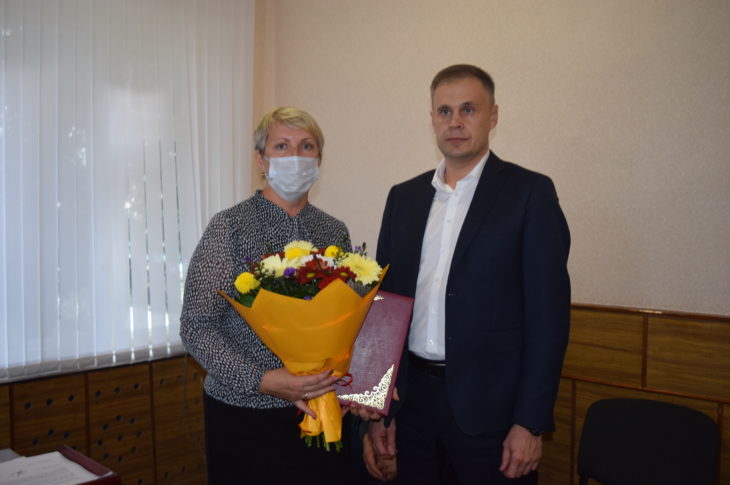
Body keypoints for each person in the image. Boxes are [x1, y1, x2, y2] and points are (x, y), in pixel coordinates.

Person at [364, 64, 571, 484]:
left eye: (468, 109)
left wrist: (530, 422)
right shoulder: (403, 198)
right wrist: (376, 405)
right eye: (444, 111)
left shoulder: (529, 193)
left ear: (493, 116)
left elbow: (549, 318)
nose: (455, 122)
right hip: (412, 404)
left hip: (494, 413)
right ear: (432, 119)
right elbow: (385, 307)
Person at [180, 107, 353, 484]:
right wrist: (263, 379)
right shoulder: (228, 227)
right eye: (282, 146)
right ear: (261, 160)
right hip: (245, 415)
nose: (296, 156)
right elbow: (196, 326)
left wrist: (358, 390)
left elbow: (348, 322)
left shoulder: (334, 231)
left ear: (319, 159)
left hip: (321, 407)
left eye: (306, 146)